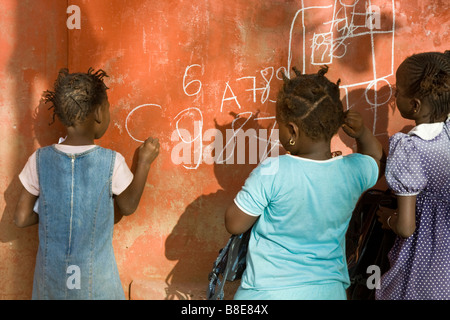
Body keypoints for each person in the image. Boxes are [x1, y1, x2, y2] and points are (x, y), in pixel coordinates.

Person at [225, 66, 382, 300]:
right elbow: (375, 160)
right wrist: (361, 133)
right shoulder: (353, 171)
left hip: (267, 293)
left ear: (292, 131)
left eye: (279, 124)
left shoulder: (273, 170)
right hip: (329, 292)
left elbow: (235, 224)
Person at [14, 68, 160, 299]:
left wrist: (56, 216)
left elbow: (21, 218)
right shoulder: (112, 161)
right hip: (98, 287)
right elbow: (129, 205)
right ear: (100, 112)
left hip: (51, 286)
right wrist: (143, 161)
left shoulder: (38, 160)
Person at [376, 51, 450, 300]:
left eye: (398, 92)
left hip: (424, 266)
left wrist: (389, 220)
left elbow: (406, 228)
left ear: (415, 105)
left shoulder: (409, 148)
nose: (395, 96)